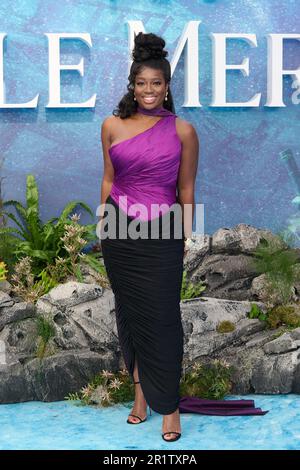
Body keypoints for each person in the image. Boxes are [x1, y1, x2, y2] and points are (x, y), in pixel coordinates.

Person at [99, 32, 199, 442]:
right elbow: (107, 179)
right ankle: (140, 397)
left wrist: (186, 237)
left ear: (167, 86)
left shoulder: (183, 131)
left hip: (162, 233)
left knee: (162, 320)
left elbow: (187, 190)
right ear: (132, 85)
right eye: (142, 83)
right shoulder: (111, 125)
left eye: (156, 83)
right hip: (119, 232)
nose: (149, 90)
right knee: (129, 314)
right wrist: (104, 226)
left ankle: (169, 407)